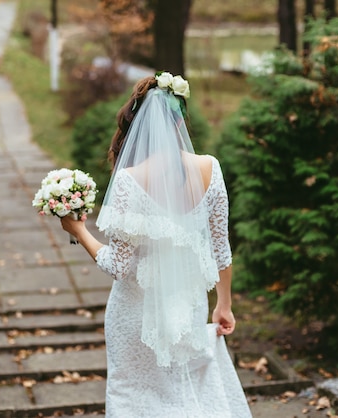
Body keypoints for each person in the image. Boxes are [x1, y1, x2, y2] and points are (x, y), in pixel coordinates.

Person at [60, 72, 253, 418]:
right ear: (180, 117)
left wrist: (79, 230)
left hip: (135, 317)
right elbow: (220, 248)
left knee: (133, 399)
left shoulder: (128, 181)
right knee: (180, 396)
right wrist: (224, 304)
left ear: (136, 124)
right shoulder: (212, 168)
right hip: (187, 311)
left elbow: (118, 266)